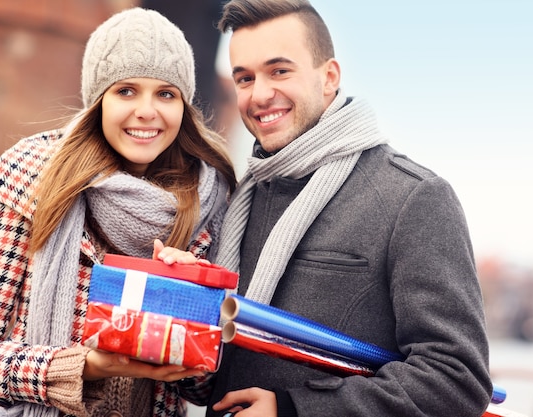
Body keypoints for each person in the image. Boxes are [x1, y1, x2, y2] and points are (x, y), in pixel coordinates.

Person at [0, 7, 236, 417]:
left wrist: (187, 306)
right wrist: (79, 369)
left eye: (166, 93)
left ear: (183, 105)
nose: (147, 110)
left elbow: (202, 388)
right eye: (126, 90)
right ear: (98, 100)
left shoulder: (208, 201)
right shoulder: (35, 178)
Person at [207, 0, 492, 416]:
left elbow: (455, 379)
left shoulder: (413, 197)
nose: (260, 93)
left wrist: (293, 410)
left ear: (329, 77)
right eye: (245, 77)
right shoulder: (236, 197)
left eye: (279, 70)